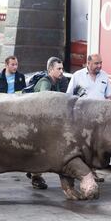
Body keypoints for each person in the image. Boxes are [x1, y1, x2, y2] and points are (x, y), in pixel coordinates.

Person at [66, 53, 111, 182]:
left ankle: (93, 172)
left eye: (100, 63)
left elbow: (109, 97)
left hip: (99, 120)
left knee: (96, 146)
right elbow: (69, 97)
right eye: (96, 63)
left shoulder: (104, 76)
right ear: (88, 63)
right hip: (82, 119)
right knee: (83, 146)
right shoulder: (78, 76)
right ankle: (83, 173)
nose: (99, 66)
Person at [28, 56, 65, 190]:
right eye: (58, 68)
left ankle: (33, 172)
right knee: (40, 151)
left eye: (62, 68)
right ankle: (36, 176)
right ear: (50, 70)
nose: (61, 71)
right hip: (39, 124)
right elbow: (45, 103)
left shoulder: (57, 83)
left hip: (46, 124)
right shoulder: (46, 82)